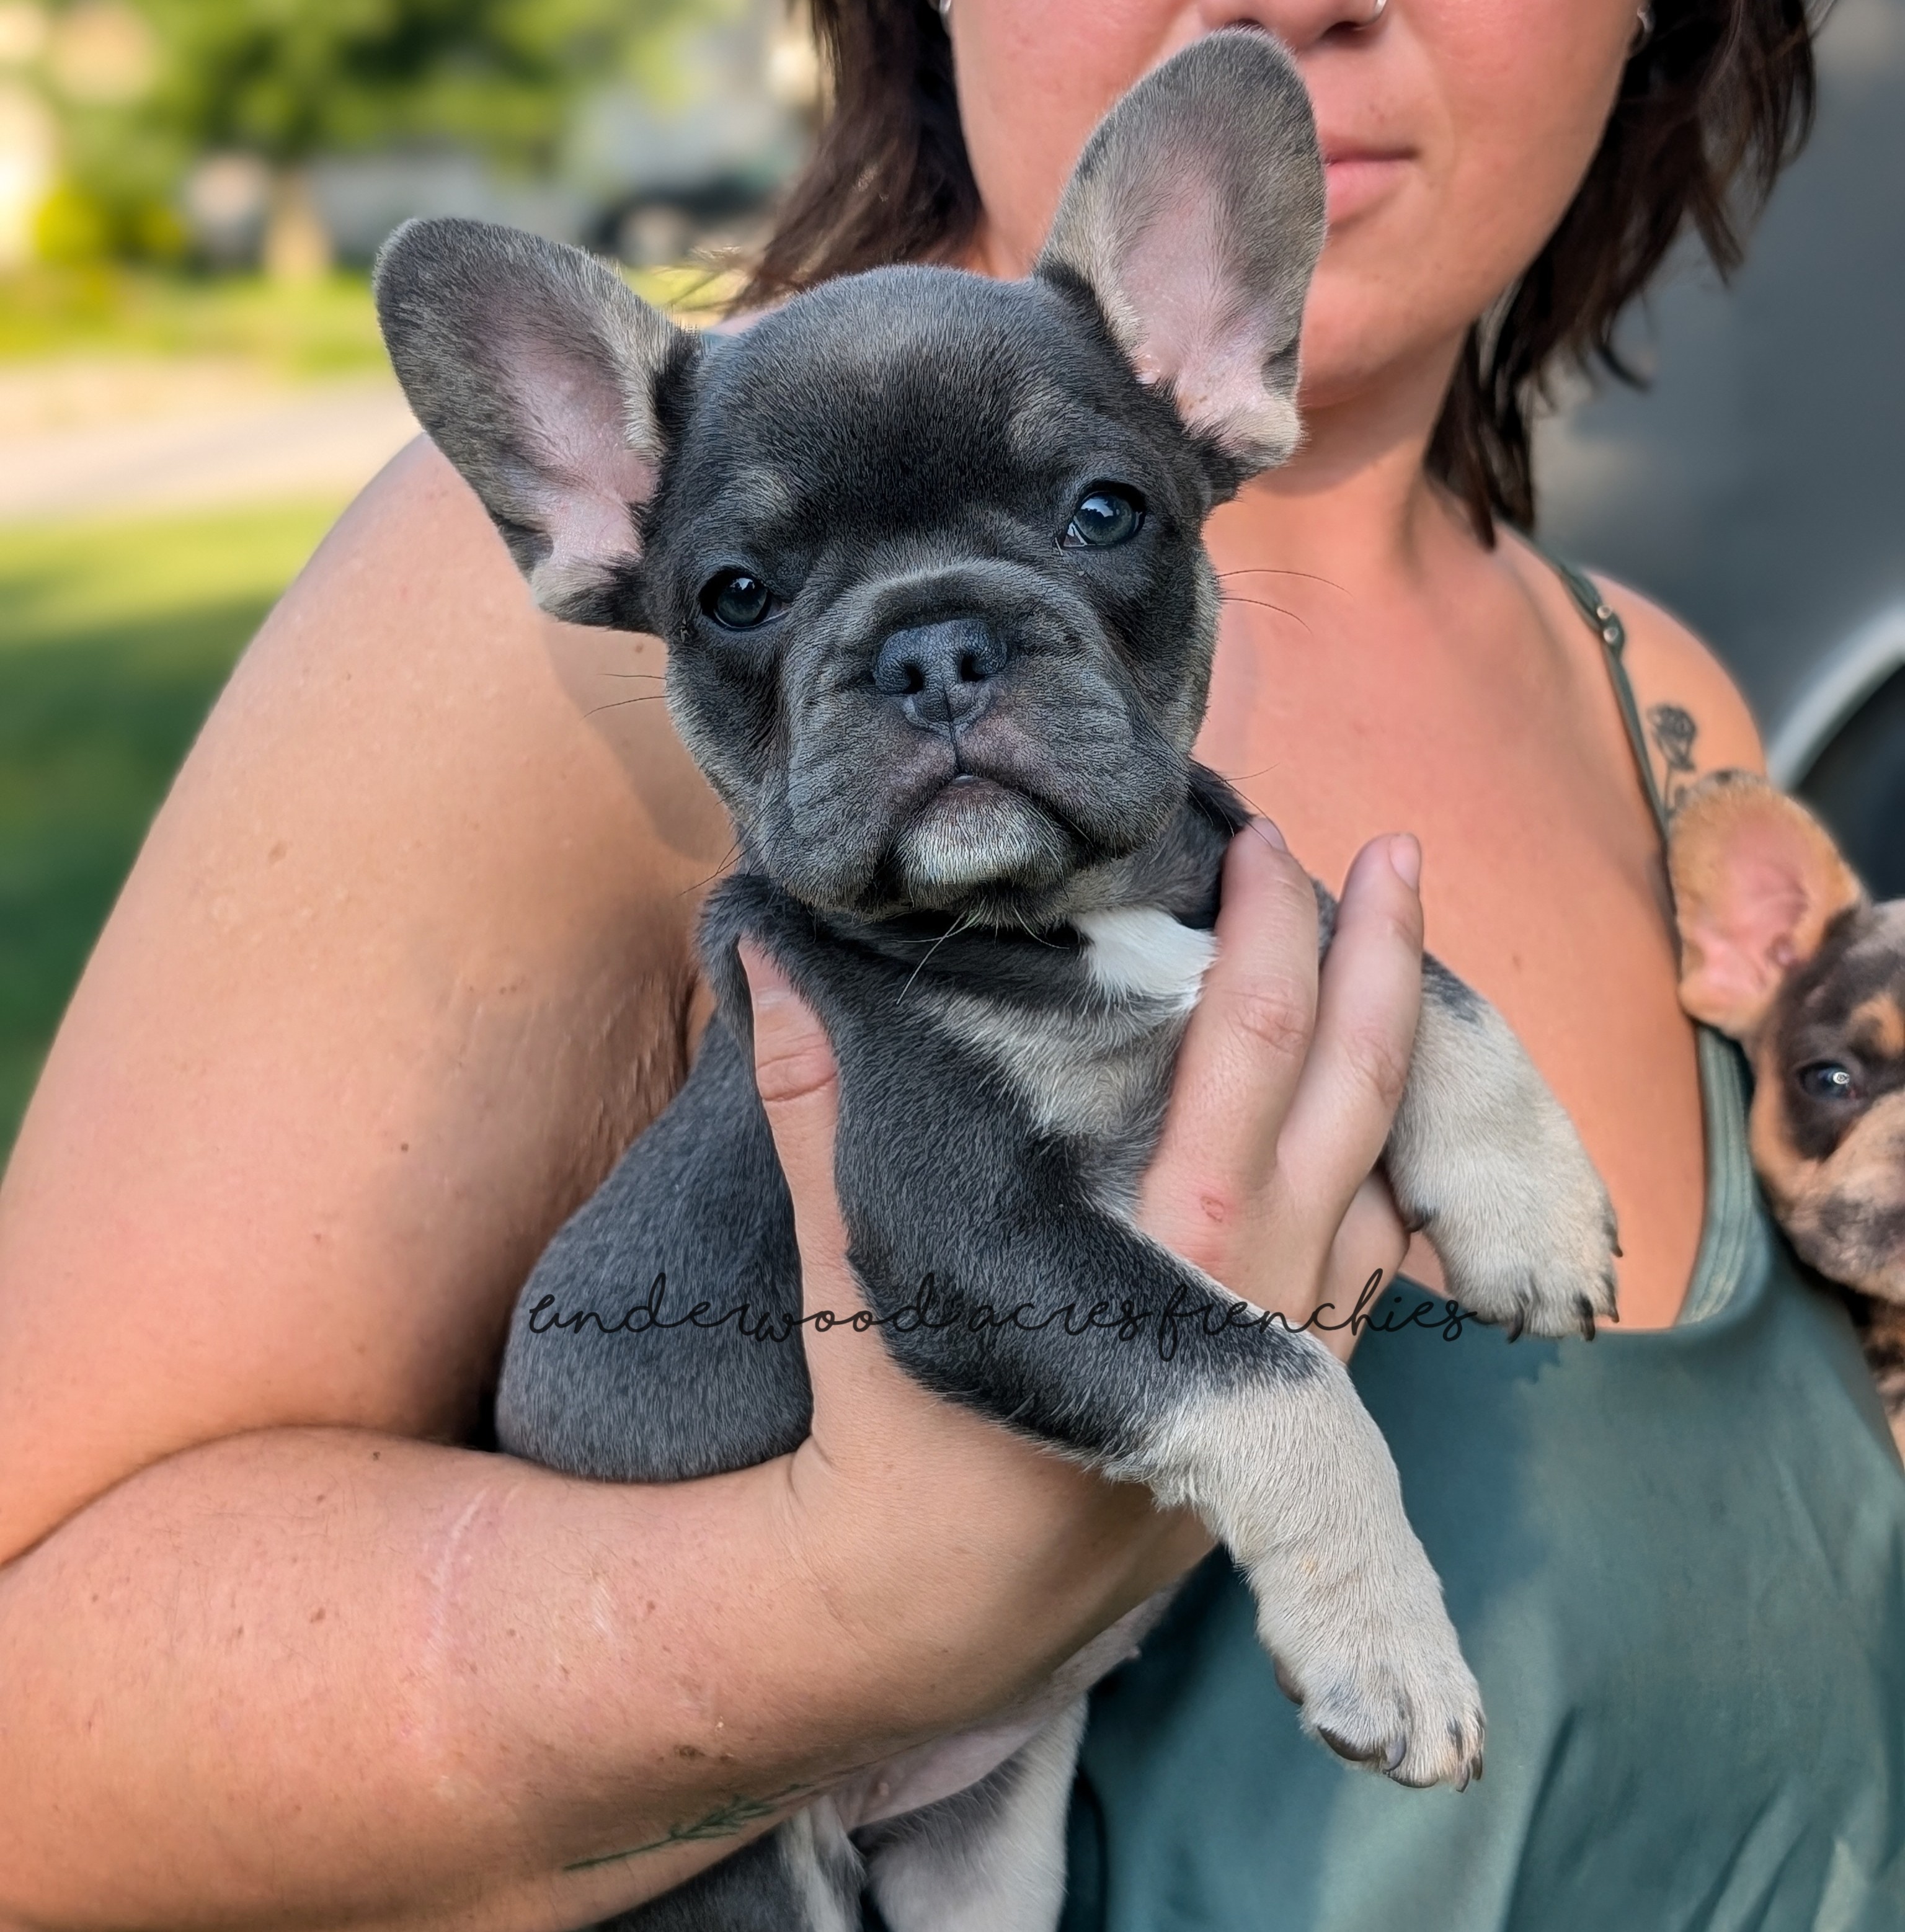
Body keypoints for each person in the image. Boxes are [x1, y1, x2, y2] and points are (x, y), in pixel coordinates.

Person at [0, 0, 1897, 1924]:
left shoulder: (1657, 698)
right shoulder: (543, 676)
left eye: (1090, 518)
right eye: (749, 596)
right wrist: (816, 1632)